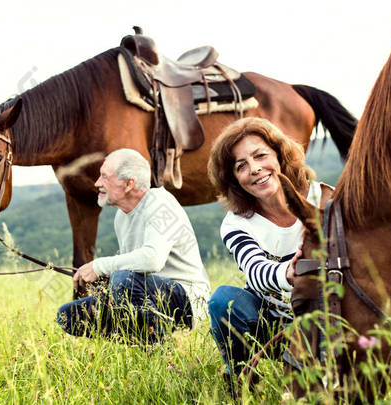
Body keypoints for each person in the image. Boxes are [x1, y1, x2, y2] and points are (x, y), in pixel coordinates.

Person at [206, 117, 330, 386]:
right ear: (234, 180)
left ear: (280, 155)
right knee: (222, 300)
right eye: (241, 166)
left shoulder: (324, 200)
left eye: (260, 155)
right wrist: (288, 272)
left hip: (325, 323)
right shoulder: (237, 222)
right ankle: (243, 381)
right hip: (269, 324)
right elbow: (254, 268)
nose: (254, 169)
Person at [57, 148, 210, 343]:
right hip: (145, 295)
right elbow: (133, 271)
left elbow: (152, 259)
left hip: (188, 300)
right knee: (68, 315)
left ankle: (160, 354)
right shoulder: (121, 217)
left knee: (123, 280)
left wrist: (99, 266)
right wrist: (105, 279)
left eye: (105, 177)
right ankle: (145, 343)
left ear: (129, 183)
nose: (97, 183)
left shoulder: (161, 204)